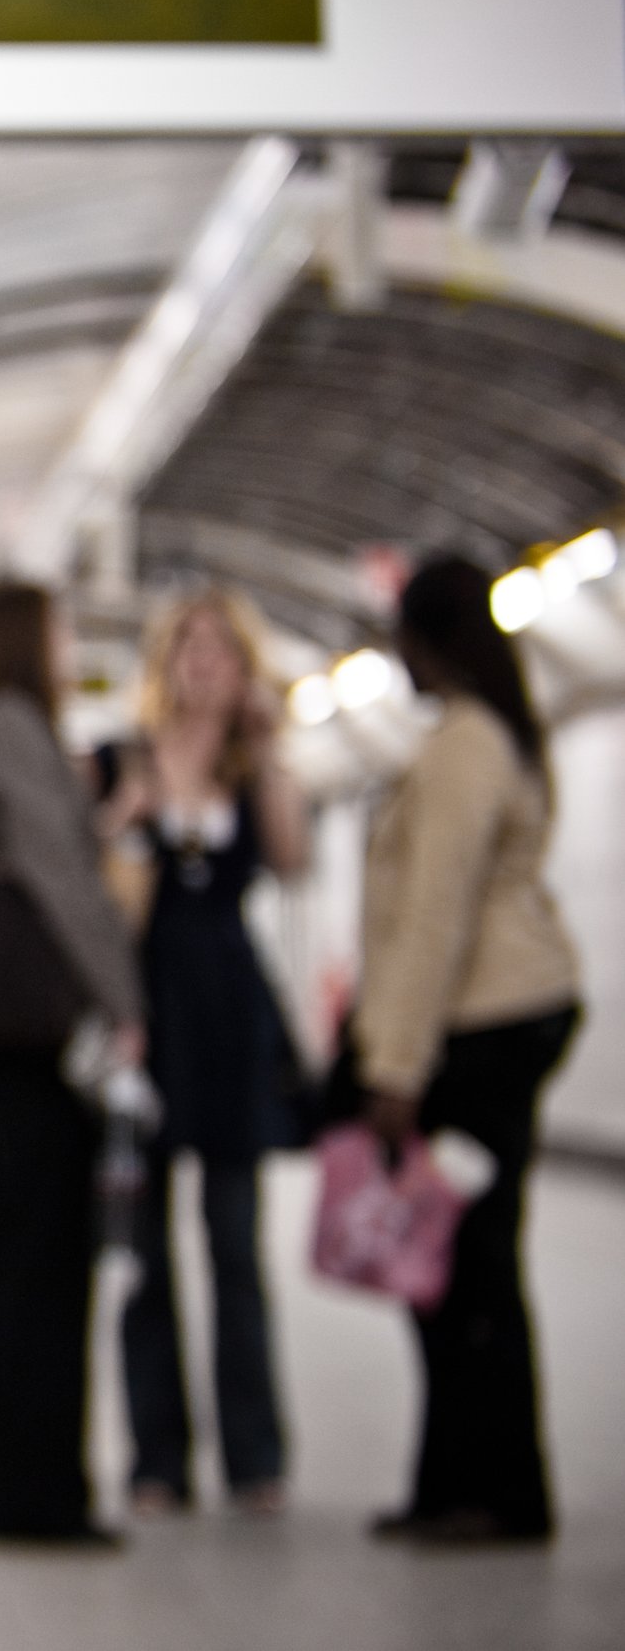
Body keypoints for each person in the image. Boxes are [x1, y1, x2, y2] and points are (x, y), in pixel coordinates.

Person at [356, 556, 580, 1545]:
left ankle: (495, 1492)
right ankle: (458, 1484)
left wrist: (393, 1067)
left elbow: (432, 918)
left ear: (424, 638)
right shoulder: (502, 735)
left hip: (477, 1028)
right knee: (461, 1266)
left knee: (467, 1269)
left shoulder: (461, 748)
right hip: (508, 1014)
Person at [0, 581, 145, 1543]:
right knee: (44, 1253)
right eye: (58, 631)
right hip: (36, 1033)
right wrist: (123, 1000)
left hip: (5, 1030)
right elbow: (59, 881)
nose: (69, 647)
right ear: (25, 640)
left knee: (17, 1246)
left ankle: (9, 1478)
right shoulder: (14, 726)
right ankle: (36, 1490)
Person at [100, 591, 307, 1518]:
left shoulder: (250, 766)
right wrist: (122, 820)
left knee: (235, 1241)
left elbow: (294, 859)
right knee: (147, 1252)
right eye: (189, 645)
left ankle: (254, 1455)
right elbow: (102, 887)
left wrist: (268, 755)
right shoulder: (124, 758)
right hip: (147, 1016)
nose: (205, 662)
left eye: (223, 648)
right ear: (167, 660)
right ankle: (157, 1458)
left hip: (230, 1018)